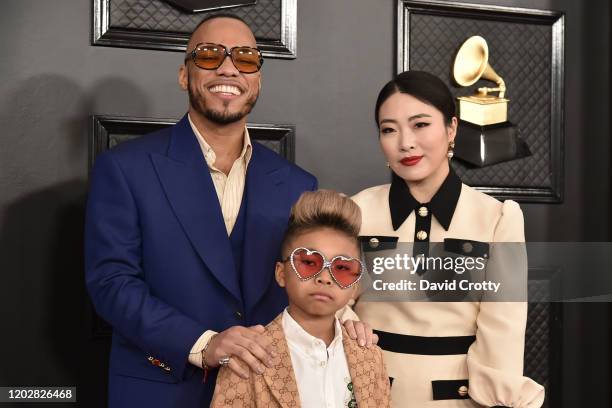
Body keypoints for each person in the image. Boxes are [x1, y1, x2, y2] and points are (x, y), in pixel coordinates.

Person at [86, 14, 324, 407]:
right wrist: (203, 343)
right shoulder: (126, 168)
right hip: (159, 389)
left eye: (245, 58)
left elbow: (307, 281)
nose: (228, 67)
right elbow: (111, 283)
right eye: (210, 55)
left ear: (258, 81)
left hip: (266, 392)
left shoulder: (299, 184)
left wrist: (346, 322)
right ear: (184, 75)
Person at [350, 70, 545, 407]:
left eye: (420, 124)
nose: (405, 142)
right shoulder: (356, 211)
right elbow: (328, 304)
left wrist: (495, 399)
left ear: (451, 128)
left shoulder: (497, 218)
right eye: (389, 130)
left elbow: (504, 331)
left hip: (459, 398)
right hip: (367, 393)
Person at [211, 190, 391, 407]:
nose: (325, 278)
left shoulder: (371, 357)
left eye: (342, 267)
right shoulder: (247, 357)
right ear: (281, 273)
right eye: (308, 262)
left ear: (355, 286)